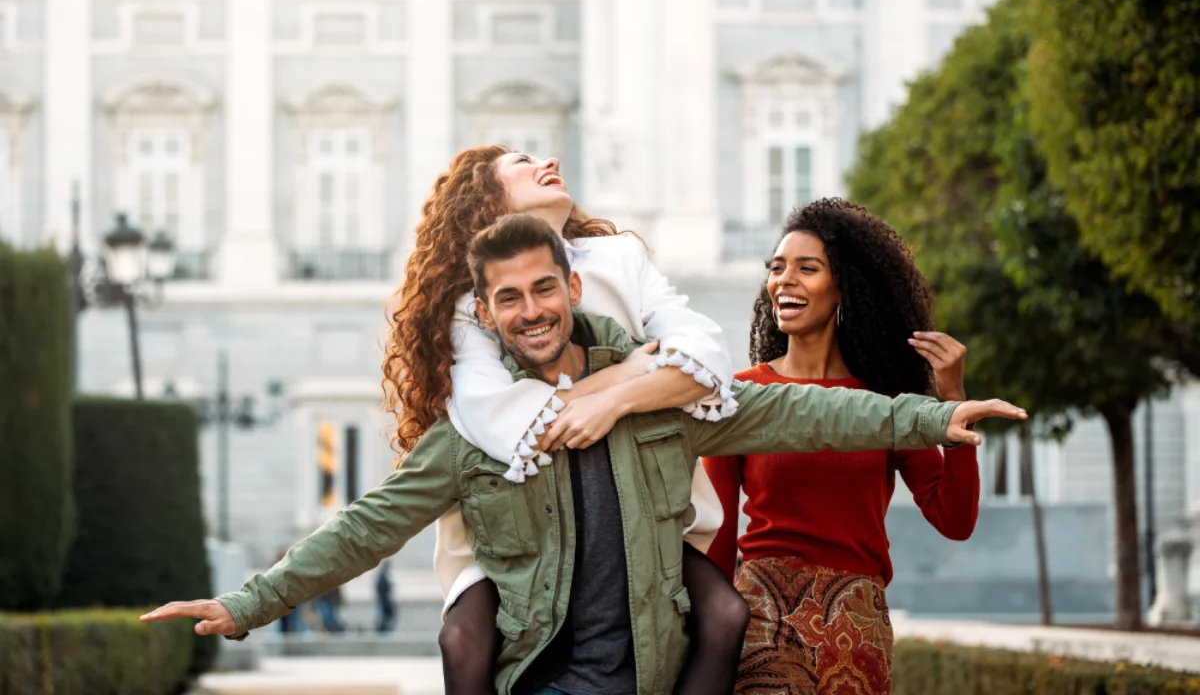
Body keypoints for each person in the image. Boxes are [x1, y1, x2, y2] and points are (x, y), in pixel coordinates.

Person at [140, 215, 1025, 695]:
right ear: (486, 314)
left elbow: (800, 412)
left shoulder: (658, 398)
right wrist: (245, 604)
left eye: (543, 288)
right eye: (508, 298)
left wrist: (927, 420)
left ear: (571, 288)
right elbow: (369, 526)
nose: (530, 310)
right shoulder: (476, 438)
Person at [383, 145, 748, 694]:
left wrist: (616, 401)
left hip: (636, 491)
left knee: (724, 612)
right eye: (522, 163)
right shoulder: (474, 297)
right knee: (463, 635)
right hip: (517, 504)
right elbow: (500, 419)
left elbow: (705, 359)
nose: (546, 160)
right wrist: (621, 377)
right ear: (486, 198)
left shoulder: (620, 258)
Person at [703, 199, 982, 694]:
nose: (784, 280)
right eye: (777, 268)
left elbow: (954, 519)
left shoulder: (885, 405)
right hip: (764, 624)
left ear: (843, 289)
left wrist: (952, 401)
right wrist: (708, 640)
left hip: (856, 632)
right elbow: (720, 537)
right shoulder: (740, 396)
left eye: (807, 269)